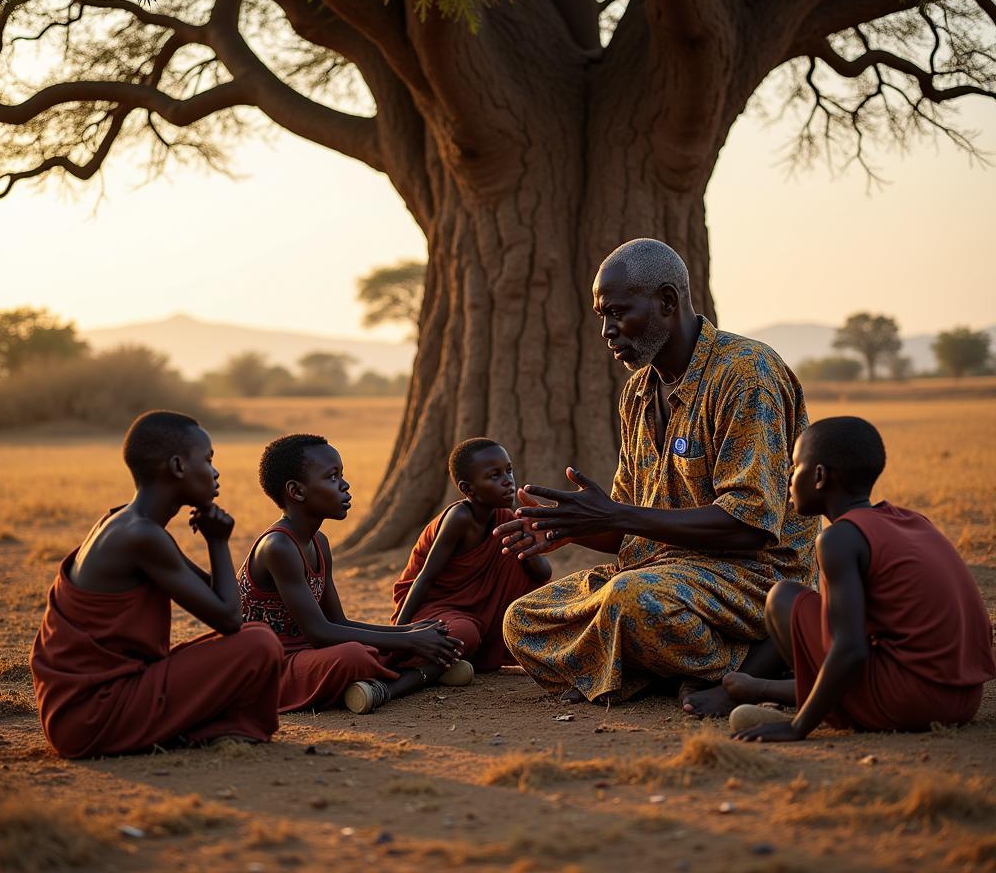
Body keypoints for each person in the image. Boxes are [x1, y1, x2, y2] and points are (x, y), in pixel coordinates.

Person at [499, 238, 819, 713]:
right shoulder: (637, 394)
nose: (607, 330)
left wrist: (616, 514)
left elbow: (750, 527)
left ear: (667, 302)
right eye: (601, 317)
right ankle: (676, 667)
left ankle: (758, 659)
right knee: (523, 621)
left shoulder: (746, 375)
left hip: (753, 580)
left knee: (630, 599)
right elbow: (633, 524)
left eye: (618, 313)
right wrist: (570, 526)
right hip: (663, 577)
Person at [30, 411, 284, 759]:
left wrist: (215, 540)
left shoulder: (129, 523)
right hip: (94, 715)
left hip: (90, 709)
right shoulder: (141, 536)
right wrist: (218, 543)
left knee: (255, 636)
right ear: (178, 466)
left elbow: (223, 601)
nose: (215, 471)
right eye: (208, 460)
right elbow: (229, 618)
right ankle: (217, 726)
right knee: (258, 642)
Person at [729, 416, 996, 742]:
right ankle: (780, 690)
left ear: (819, 476)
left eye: (795, 466)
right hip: (965, 701)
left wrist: (798, 727)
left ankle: (808, 702)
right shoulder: (913, 521)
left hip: (911, 704)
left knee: (783, 598)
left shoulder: (839, 539)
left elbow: (851, 649)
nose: (788, 477)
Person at [238, 433, 466, 716]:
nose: (345, 486)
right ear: (297, 491)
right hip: (273, 667)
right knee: (354, 655)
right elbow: (321, 633)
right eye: (332, 477)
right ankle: (408, 679)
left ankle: (385, 681)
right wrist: (408, 640)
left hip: (312, 654)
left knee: (429, 632)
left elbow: (337, 621)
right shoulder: (279, 547)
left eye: (341, 475)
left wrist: (408, 631)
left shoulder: (319, 543)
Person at [391, 438, 551, 672]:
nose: (508, 481)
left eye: (509, 470)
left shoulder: (506, 519)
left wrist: (528, 541)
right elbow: (424, 577)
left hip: (480, 616)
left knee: (543, 607)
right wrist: (398, 634)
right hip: (434, 608)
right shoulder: (459, 518)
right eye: (494, 476)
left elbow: (542, 574)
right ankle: (421, 662)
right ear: (467, 489)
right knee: (462, 634)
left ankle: (456, 663)